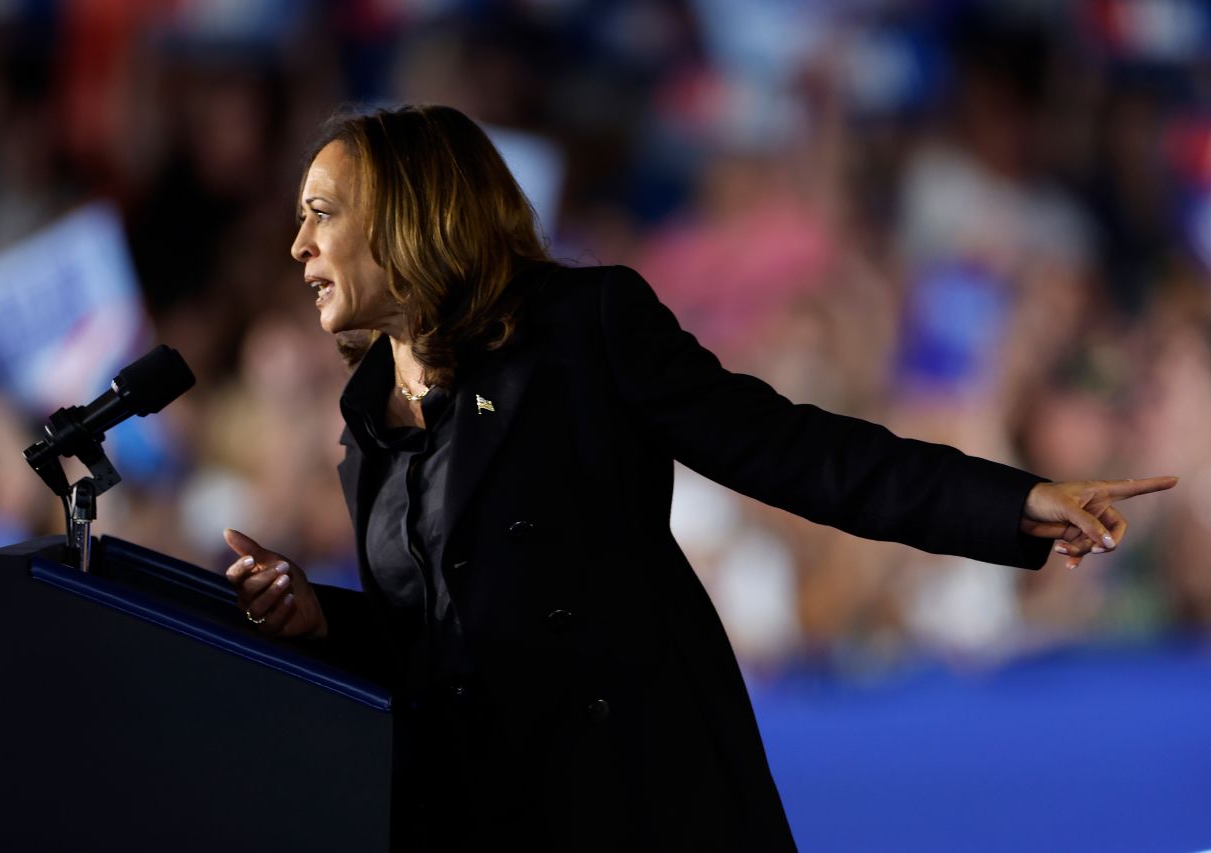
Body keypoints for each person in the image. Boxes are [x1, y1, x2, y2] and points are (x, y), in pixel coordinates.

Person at [222, 105, 1176, 852]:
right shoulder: (363, 426)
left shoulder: (583, 330)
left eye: (321, 214)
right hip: (472, 818)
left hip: (630, 803)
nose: (298, 247)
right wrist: (320, 613)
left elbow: (795, 451)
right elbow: (431, 643)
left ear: (409, 211)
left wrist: (1015, 501)